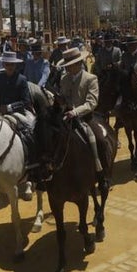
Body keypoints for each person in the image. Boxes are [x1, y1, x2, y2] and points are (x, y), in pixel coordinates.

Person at [56, 46, 104, 184]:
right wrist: (60, 102)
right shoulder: (64, 78)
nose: (67, 69)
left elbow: (92, 103)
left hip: (86, 118)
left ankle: (101, 169)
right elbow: (64, 97)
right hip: (66, 118)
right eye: (66, 66)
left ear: (78, 64)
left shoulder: (91, 78)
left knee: (99, 139)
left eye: (69, 66)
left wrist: (75, 112)